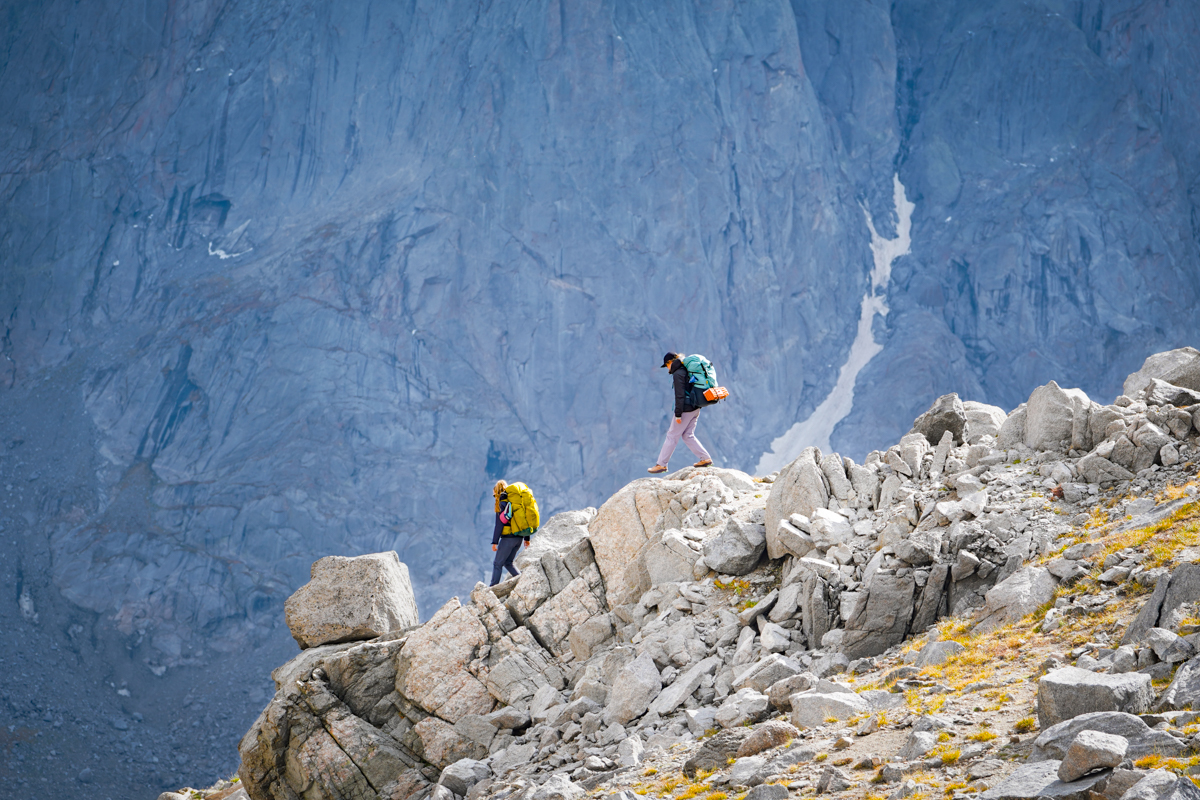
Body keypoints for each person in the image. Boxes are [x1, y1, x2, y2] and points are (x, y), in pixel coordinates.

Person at [648, 351, 713, 473]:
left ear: (670, 362)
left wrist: (678, 414)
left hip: (686, 409)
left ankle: (661, 464)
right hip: (695, 407)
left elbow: (680, 395)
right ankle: (705, 458)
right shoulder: (686, 369)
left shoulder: (678, 373)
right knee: (688, 435)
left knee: (672, 436)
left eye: (666, 365)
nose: (667, 368)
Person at [489, 480, 529, 585]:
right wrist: (526, 538)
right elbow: (523, 520)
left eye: (494, 495)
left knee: (497, 564)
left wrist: (495, 542)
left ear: (497, 493)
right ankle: (524, 582)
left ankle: (492, 589)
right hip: (518, 538)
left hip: (508, 539)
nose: (494, 498)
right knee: (508, 563)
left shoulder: (501, 505)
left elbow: (499, 525)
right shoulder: (515, 503)